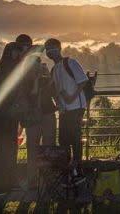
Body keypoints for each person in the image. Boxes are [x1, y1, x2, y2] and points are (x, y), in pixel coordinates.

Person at [0, 42, 25, 198]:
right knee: (4, 148)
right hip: (5, 115)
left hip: (5, 115)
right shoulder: (10, 71)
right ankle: (3, 182)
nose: (18, 55)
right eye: (16, 51)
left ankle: (1, 183)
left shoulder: (4, 70)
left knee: (4, 148)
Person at [45, 38, 87, 179]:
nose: (49, 51)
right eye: (47, 48)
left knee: (75, 138)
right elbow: (55, 90)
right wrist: (58, 101)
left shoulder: (70, 62)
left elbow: (82, 81)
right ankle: (68, 168)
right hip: (64, 110)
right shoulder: (53, 69)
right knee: (64, 140)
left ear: (59, 48)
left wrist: (71, 97)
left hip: (76, 107)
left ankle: (77, 168)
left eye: (51, 47)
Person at [21, 42, 57, 187]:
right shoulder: (25, 80)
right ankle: (32, 179)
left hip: (48, 114)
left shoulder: (44, 78)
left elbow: (53, 92)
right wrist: (36, 79)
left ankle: (47, 178)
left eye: (39, 63)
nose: (38, 66)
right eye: (35, 64)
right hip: (33, 117)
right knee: (32, 148)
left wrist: (48, 77)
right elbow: (32, 95)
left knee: (49, 146)